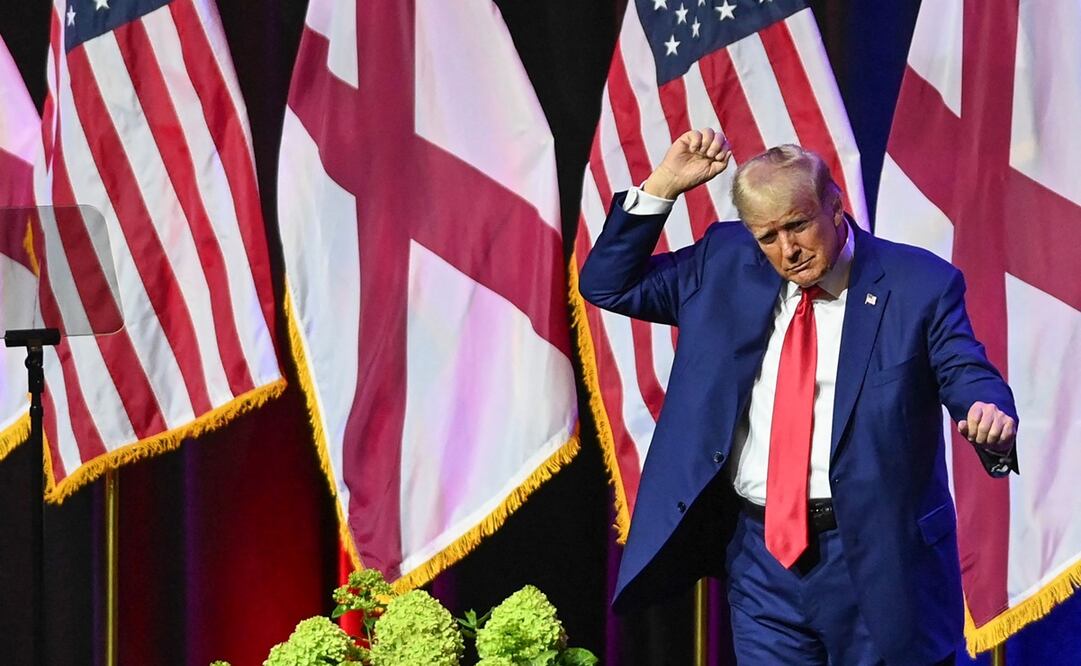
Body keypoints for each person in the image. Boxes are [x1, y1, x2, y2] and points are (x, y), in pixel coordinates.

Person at [579, 129, 1018, 665]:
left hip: (874, 557)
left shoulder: (917, 283)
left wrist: (984, 409)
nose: (786, 250)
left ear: (834, 207)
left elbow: (964, 369)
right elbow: (606, 284)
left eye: (797, 225)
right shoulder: (723, 264)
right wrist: (663, 187)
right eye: (767, 236)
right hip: (760, 559)